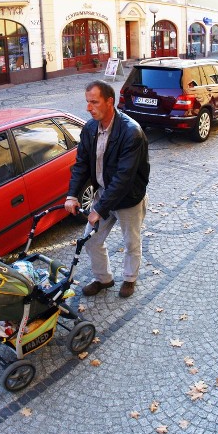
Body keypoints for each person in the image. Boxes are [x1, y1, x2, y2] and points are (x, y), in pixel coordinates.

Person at [66, 80, 150, 299]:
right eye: (87, 102)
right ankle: (104, 279)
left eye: (94, 102)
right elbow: (82, 163)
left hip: (129, 198)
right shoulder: (90, 128)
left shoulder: (131, 132)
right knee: (91, 240)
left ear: (110, 102)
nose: (88, 107)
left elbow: (124, 178)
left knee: (131, 242)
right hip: (104, 194)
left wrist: (99, 210)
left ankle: (130, 279)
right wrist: (72, 195)